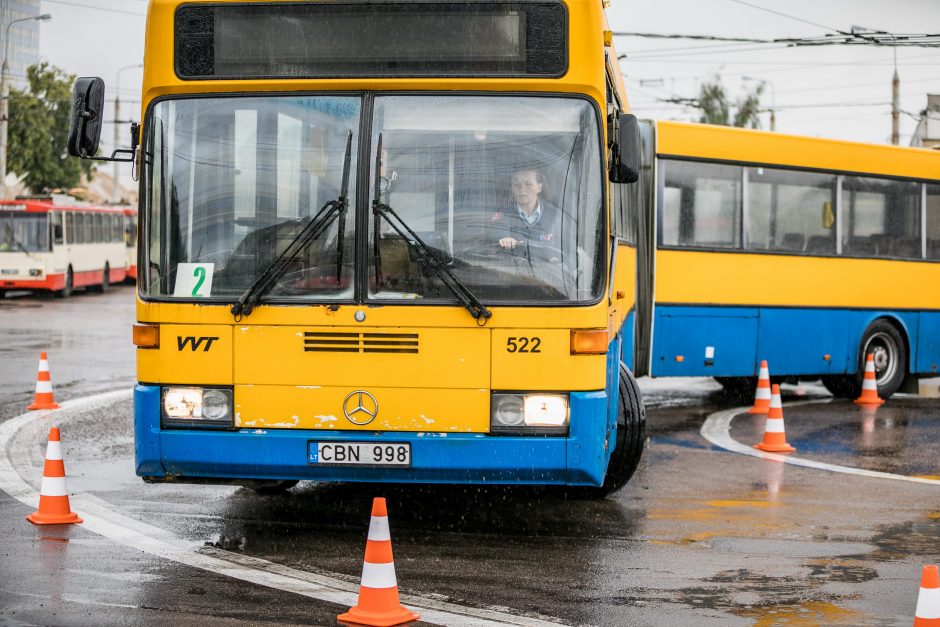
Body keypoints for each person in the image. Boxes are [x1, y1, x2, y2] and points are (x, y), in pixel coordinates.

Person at [489, 169, 562, 256]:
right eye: (517, 185)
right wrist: (505, 241)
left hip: (547, 268)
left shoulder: (555, 216)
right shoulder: (503, 215)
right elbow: (495, 245)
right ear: (511, 188)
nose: (522, 190)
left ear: (539, 187)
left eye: (528, 184)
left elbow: (562, 250)